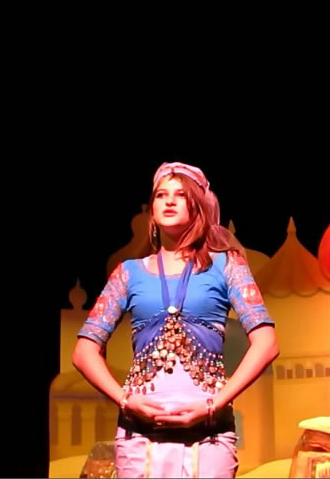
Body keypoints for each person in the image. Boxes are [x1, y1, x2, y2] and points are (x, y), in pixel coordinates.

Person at [73, 162, 279, 478]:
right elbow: (83, 352)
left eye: (181, 195)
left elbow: (267, 344)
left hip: (209, 432)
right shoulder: (128, 273)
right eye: (161, 194)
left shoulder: (227, 265)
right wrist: (126, 401)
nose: (169, 201)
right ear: (152, 208)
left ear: (198, 205)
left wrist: (214, 404)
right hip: (139, 434)